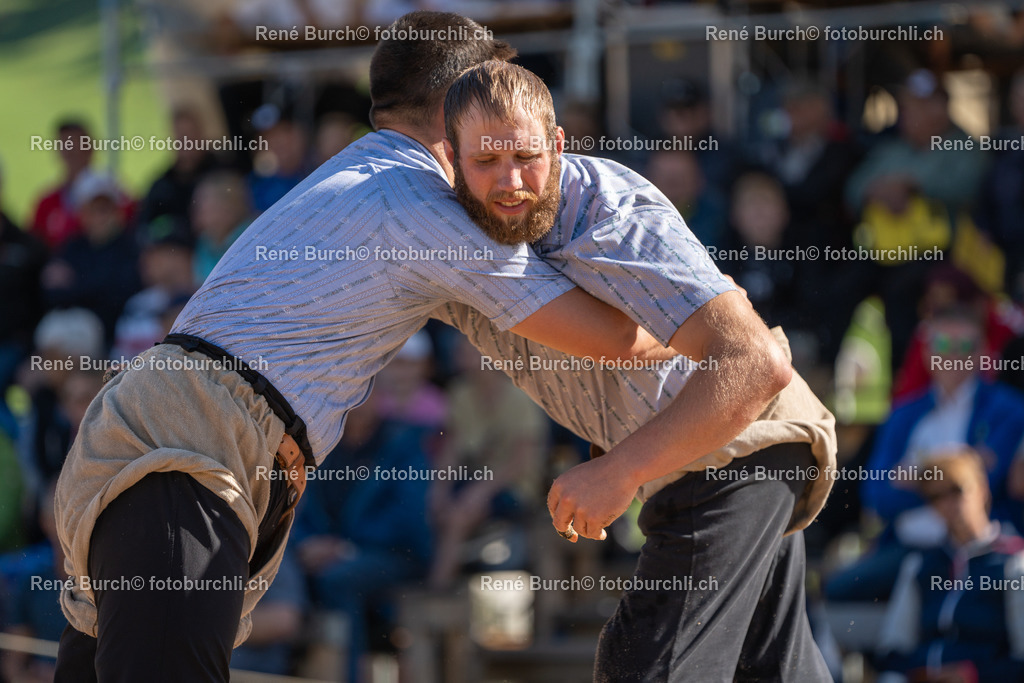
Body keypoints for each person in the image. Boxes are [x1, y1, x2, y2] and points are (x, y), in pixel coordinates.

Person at [52, 12, 672, 681]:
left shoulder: (357, 176)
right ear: (462, 100)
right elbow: (609, 339)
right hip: (190, 452)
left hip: (173, 435)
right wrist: (704, 330)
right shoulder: (418, 199)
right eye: (494, 96)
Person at [437, 60, 836, 681]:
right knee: (773, 672)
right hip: (724, 454)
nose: (510, 180)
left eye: (526, 156)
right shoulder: (445, 229)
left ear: (560, 144)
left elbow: (757, 364)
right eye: (486, 162)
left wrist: (617, 472)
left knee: (642, 669)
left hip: (734, 447)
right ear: (451, 160)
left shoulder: (611, 215)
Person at [876, 449, 1024, 682]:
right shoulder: (919, 566)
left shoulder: (1013, 564)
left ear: (982, 490)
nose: (948, 503)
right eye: (936, 497)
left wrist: (973, 675)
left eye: (956, 490)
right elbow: (893, 648)